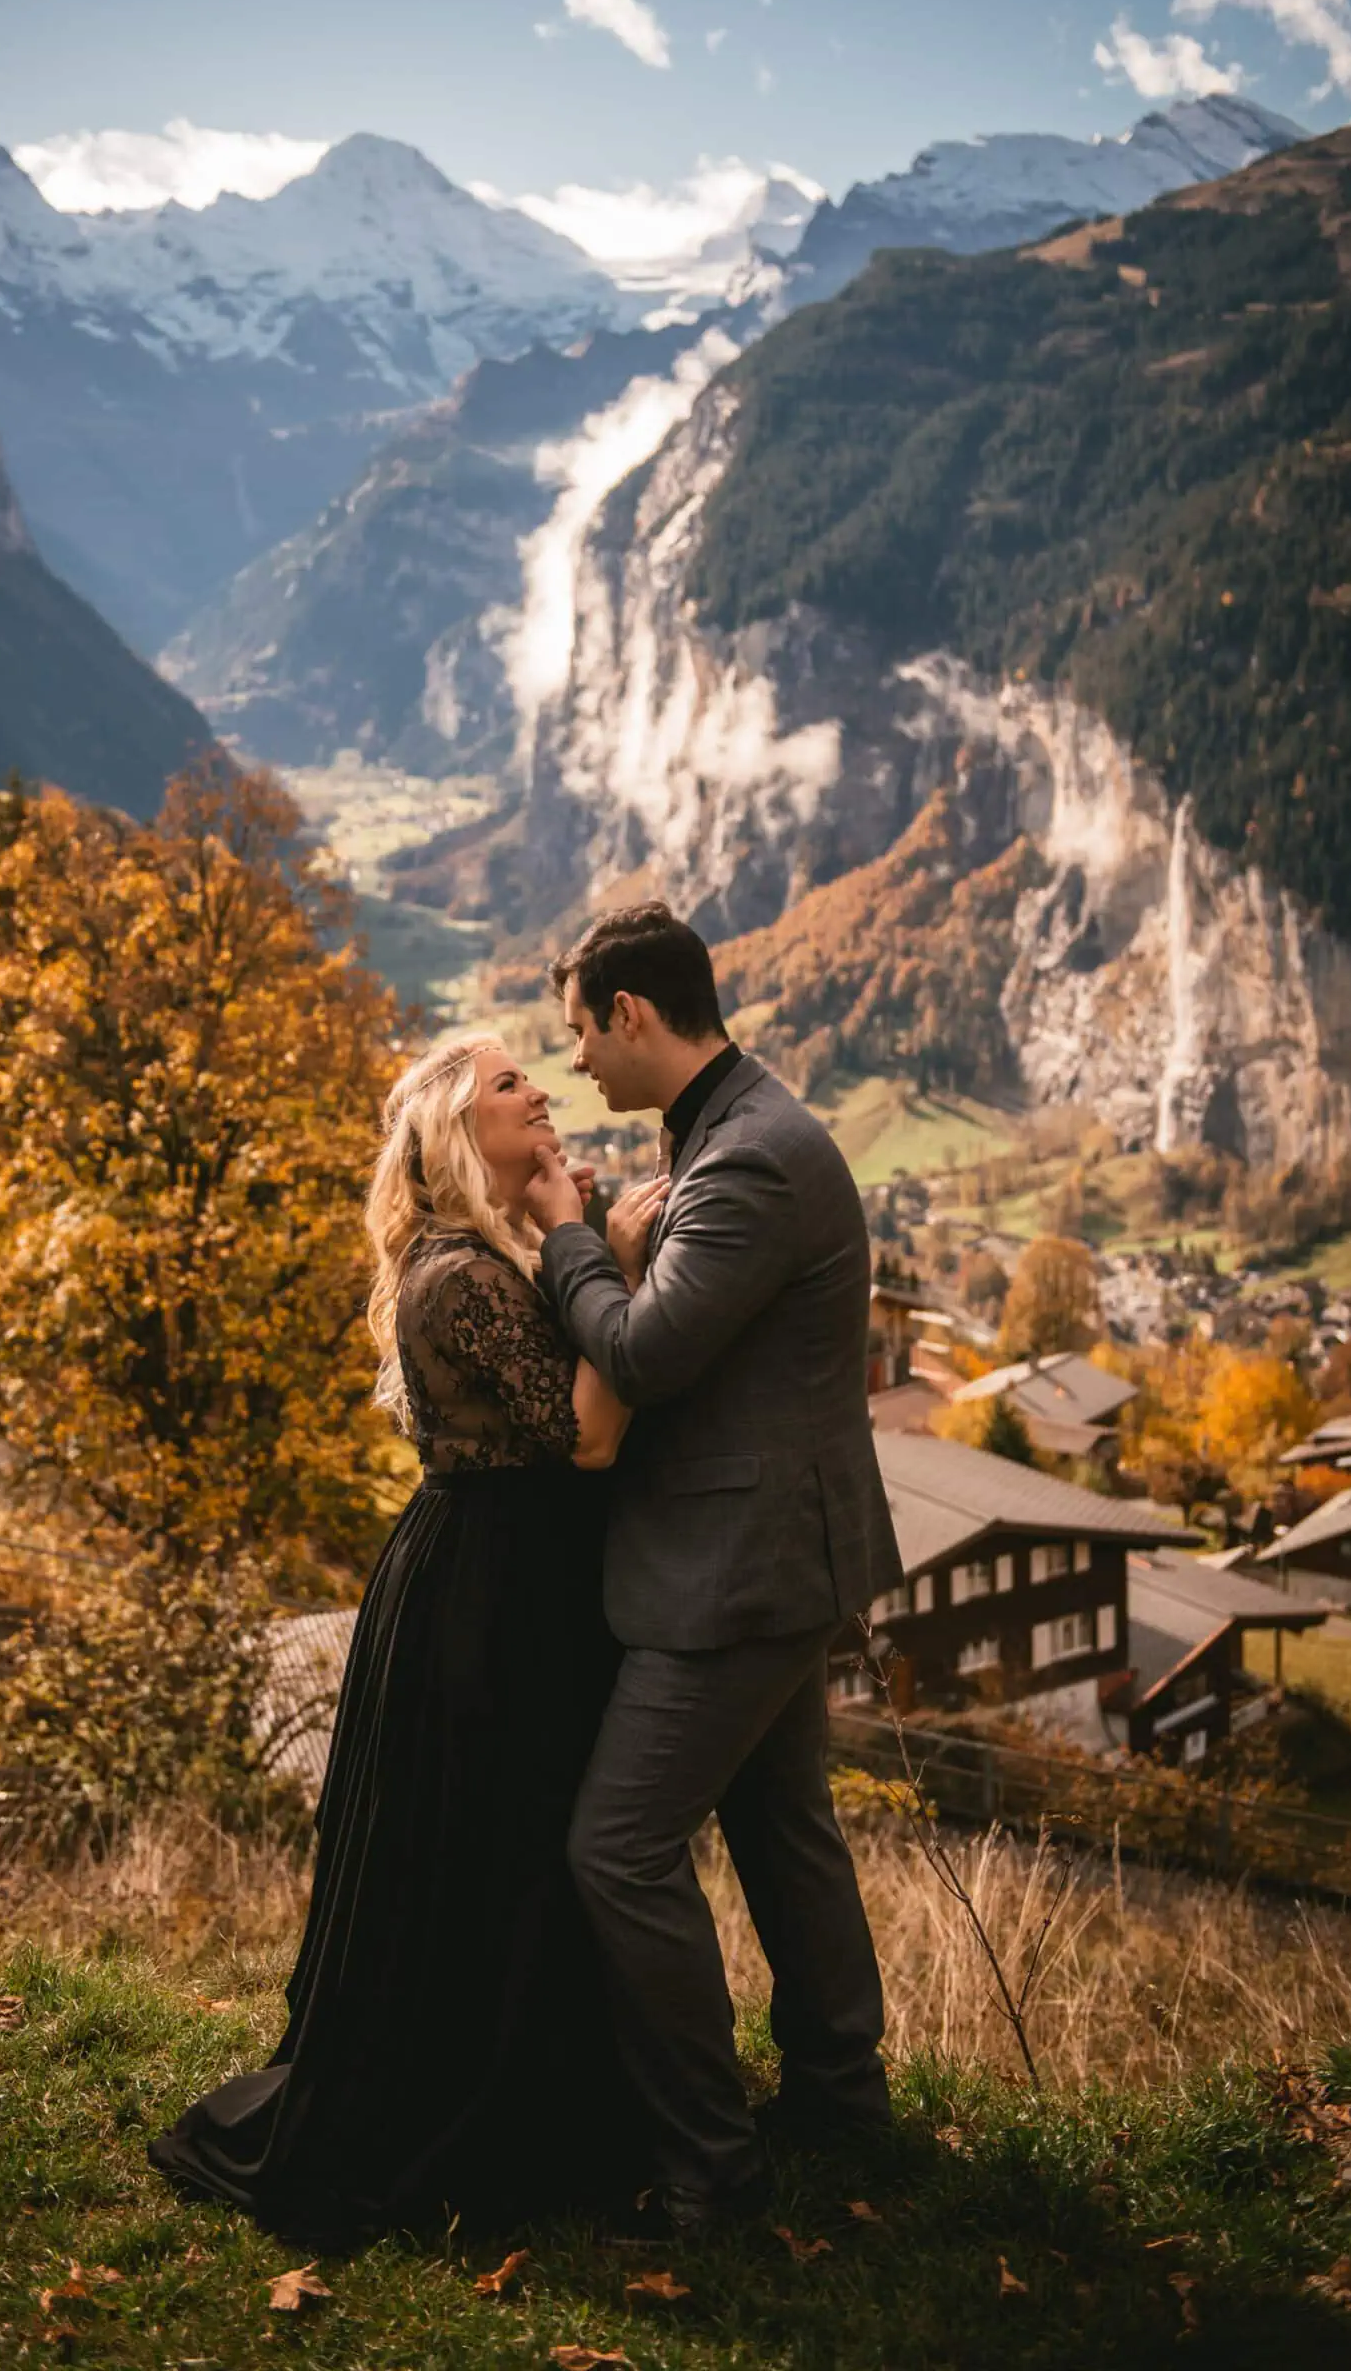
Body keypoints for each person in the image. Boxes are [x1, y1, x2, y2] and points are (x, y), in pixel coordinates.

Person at [149, 1032, 654, 2245]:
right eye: (507, 1084)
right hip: (486, 1593)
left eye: (534, 1074)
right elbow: (587, 1434)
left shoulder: (492, 1255)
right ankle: (493, 2117)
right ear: (452, 1135)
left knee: (518, 1840)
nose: (539, 1089)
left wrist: (564, 1229)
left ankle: (553, 2101)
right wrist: (620, 1267)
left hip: (508, 1578)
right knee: (493, 1842)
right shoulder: (459, 1281)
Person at [524, 901, 904, 2237]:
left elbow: (642, 1356)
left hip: (736, 1568)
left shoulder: (747, 1159)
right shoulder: (727, 1129)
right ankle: (842, 2104)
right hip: (774, 1553)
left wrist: (571, 1240)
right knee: (782, 1830)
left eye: (579, 1030)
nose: (573, 1060)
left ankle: (712, 2171)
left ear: (632, 1012)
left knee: (618, 1850)